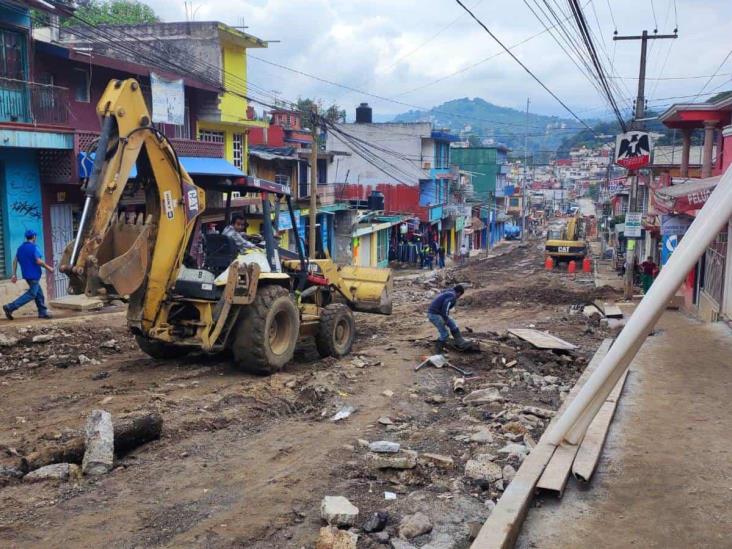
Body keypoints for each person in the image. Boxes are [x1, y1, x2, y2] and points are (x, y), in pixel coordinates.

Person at [3, 230, 53, 320]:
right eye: (35, 236)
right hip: (34, 275)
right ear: (34, 237)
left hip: (26, 275)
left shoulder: (20, 248)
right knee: (32, 294)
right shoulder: (34, 247)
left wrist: (14, 274)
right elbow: (38, 261)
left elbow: (15, 261)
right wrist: (49, 268)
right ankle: (10, 307)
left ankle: (42, 312)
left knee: (39, 293)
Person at [427, 284, 465, 353]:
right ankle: (438, 351)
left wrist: (446, 318)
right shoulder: (452, 295)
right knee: (445, 334)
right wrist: (445, 317)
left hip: (438, 313)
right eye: (460, 295)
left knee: (453, 325)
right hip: (434, 314)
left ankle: (460, 342)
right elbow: (445, 305)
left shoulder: (449, 292)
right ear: (459, 293)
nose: (459, 297)